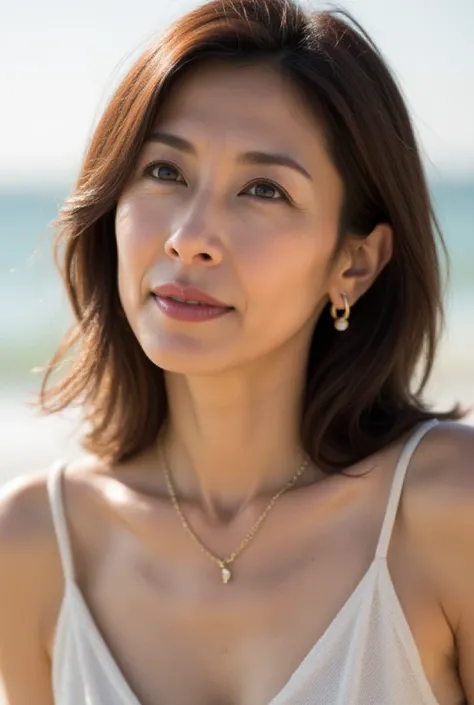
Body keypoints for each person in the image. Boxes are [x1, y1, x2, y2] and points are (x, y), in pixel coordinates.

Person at [0, 0, 473, 702]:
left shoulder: (446, 510)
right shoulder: (34, 546)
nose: (190, 236)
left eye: (263, 189)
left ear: (355, 263)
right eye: (164, 171)